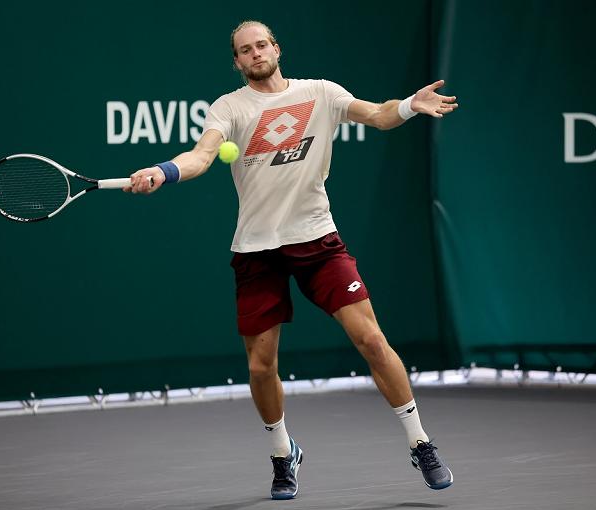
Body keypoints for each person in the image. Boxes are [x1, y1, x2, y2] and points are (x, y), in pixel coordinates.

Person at [124, 20, 458, 500]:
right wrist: (164, 170)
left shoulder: (320, 92)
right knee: (261, 367)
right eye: (245, 50)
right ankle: (284, 453)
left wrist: (409, 106)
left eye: (262, 44)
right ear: (237, 62)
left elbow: (378, 115)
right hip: (257, 250)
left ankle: (420, 442)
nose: (256, 53)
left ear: (276, 48)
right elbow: (201, 155)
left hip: (317, 240)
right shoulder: (229, 108)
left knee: (370, 338)